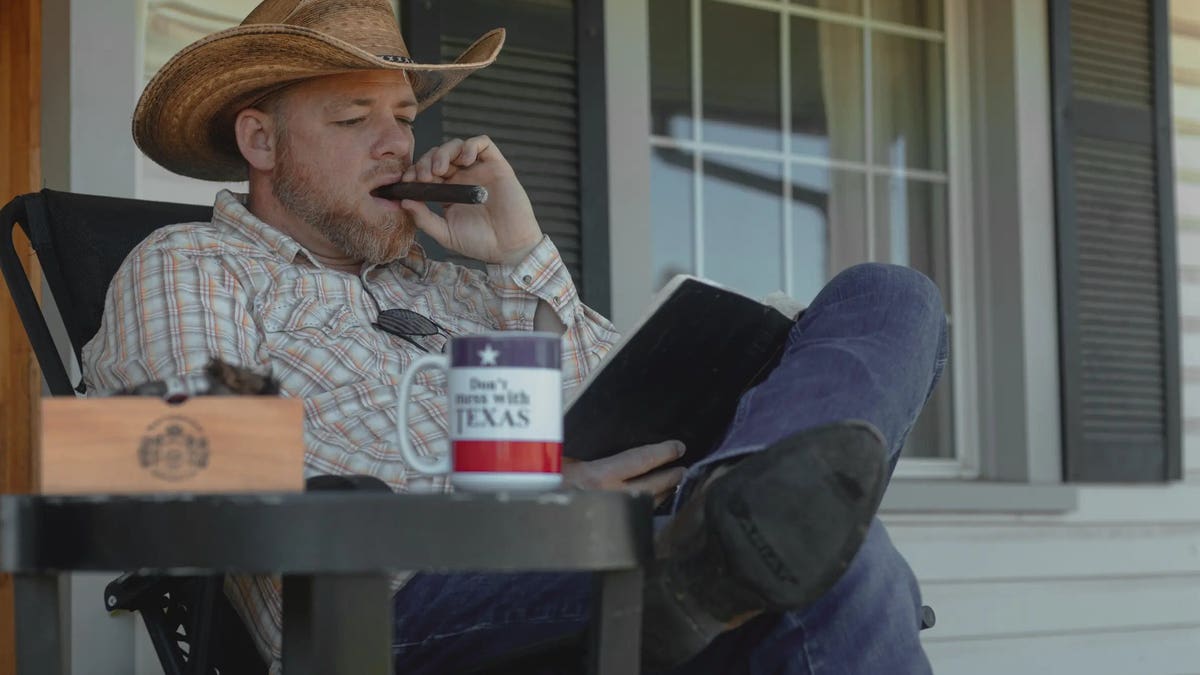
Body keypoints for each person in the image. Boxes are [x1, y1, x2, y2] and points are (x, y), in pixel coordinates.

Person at [83, 0, 947, 672]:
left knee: (891, 293)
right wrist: (519, 506)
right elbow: (180, 467)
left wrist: (522, 255)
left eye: (405, 117)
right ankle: (745, 527)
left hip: (641, 545)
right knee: (840, 561)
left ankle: (739, 510)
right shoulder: (192, 264)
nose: (395, 146)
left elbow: (622, 398)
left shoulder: (464, 277)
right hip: (394, 606)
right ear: (260, 140)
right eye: (354, 121)